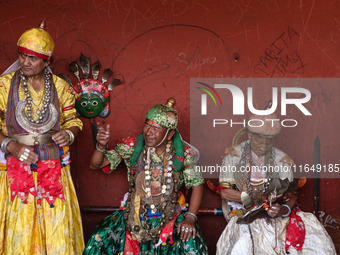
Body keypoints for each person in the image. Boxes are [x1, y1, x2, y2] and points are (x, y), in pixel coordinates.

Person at [0, 21, 84, 254]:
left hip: (53, 167)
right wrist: (11, 145)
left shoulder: (60, 86)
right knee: (21, 223)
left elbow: (73, 120)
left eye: (33, 58)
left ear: (47, 61)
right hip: (14, 168)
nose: (25, 62)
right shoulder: (4, 85)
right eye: (22, 55)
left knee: (54, 221)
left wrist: (69, 134)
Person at [83, 98, 208, 254]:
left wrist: (190, 218)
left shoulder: (183, 153)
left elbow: (197, 185)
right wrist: (101, 146)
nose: (149, 132)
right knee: (99, 237)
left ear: (169, 134)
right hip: (133, 214)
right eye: (147, 125)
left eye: (155, 128)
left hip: (169, 216)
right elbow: (96, 164)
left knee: (192, 245)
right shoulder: (132, 146)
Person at [216, 114, 336, 254]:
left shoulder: (283, 161)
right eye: (259, 142)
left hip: (276, 217)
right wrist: (253, 197)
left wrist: (283, 209)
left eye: (268, 142)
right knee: (248, 243)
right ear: (249, 135)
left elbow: (291, 197)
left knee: (315, 241)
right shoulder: (233, 156)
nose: (263, 146)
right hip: (243, 215)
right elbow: (224, 192)